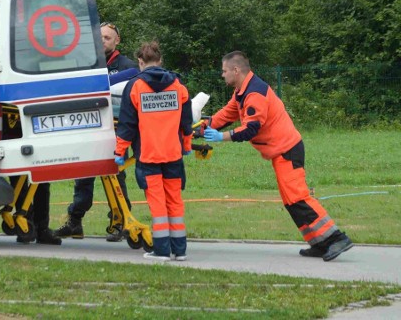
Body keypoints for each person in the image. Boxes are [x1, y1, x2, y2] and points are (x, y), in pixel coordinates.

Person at [203, 51, 354, 261]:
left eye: (224, 71)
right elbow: (226, 114)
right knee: (291, 202)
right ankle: (318, 243)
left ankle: (336, 238)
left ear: (236, 70)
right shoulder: (242, 91)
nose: (222, 75)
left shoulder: (254, 93)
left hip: (287, 150)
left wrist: (221, 137)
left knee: (298, 198)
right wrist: (202, 127)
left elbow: (251, 129)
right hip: (282, 151)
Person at [55, 22, 138, 242]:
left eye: (107, 38)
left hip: (116, 131)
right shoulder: (87, 63)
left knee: (116, 176)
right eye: (99, 37)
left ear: (117, 40)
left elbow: (133, 77)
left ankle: (120, 221)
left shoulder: (126, 65)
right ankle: (75, 221)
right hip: (88, 128)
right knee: (83, 176)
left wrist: (102, 82)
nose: (102, 41)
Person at [115, 41, 193, 261]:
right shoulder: (178, 85)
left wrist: (120, 152)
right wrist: (186, 145)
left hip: (148, 156)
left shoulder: (135, 86)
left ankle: (161, 250)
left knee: (158, 204)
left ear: (140, 62)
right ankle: (180, 250)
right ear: (161, 61)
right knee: (175, 201)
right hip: (173, 155)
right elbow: (186, 122)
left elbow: (127, 125)